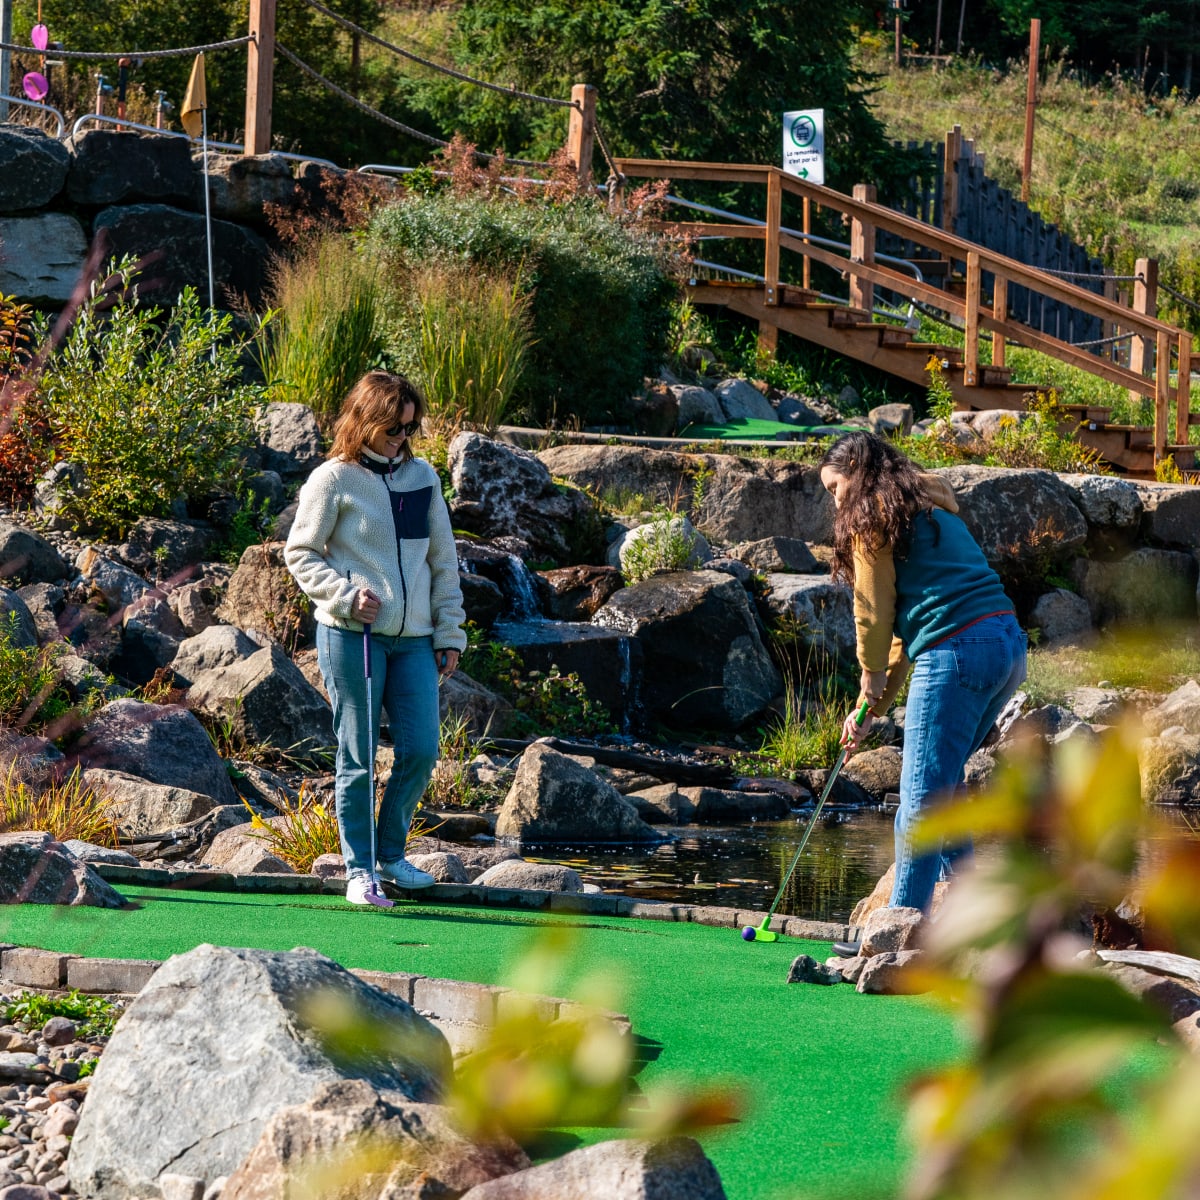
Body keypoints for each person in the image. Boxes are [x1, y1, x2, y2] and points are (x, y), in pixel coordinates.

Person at [818, 431, 1026, 923]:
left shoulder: (870, 520)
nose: (835, 501)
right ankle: (976, 920)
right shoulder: (926, 506)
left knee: (919, 805)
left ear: (857, 473)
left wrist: (869, 681)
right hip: (1006, 647)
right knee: (946, 792)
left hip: (956, 651)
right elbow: (904, 631)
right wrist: (872, 707)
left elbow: (872, 614)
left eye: (834, 488)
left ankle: (896, 933)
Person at [285, 371, 466, 906]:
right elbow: (301, 552)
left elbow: (442, 561)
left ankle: (392, 856)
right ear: (365, 421)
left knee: (421, 750)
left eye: (409, 428)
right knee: (358, 755)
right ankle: (359, 871)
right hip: (351, 635)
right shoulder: (332, 480)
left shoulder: (423, 478)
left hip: (415, 640)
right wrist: (343, 595)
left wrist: (449, 631)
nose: (402, 439)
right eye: (393, 428)